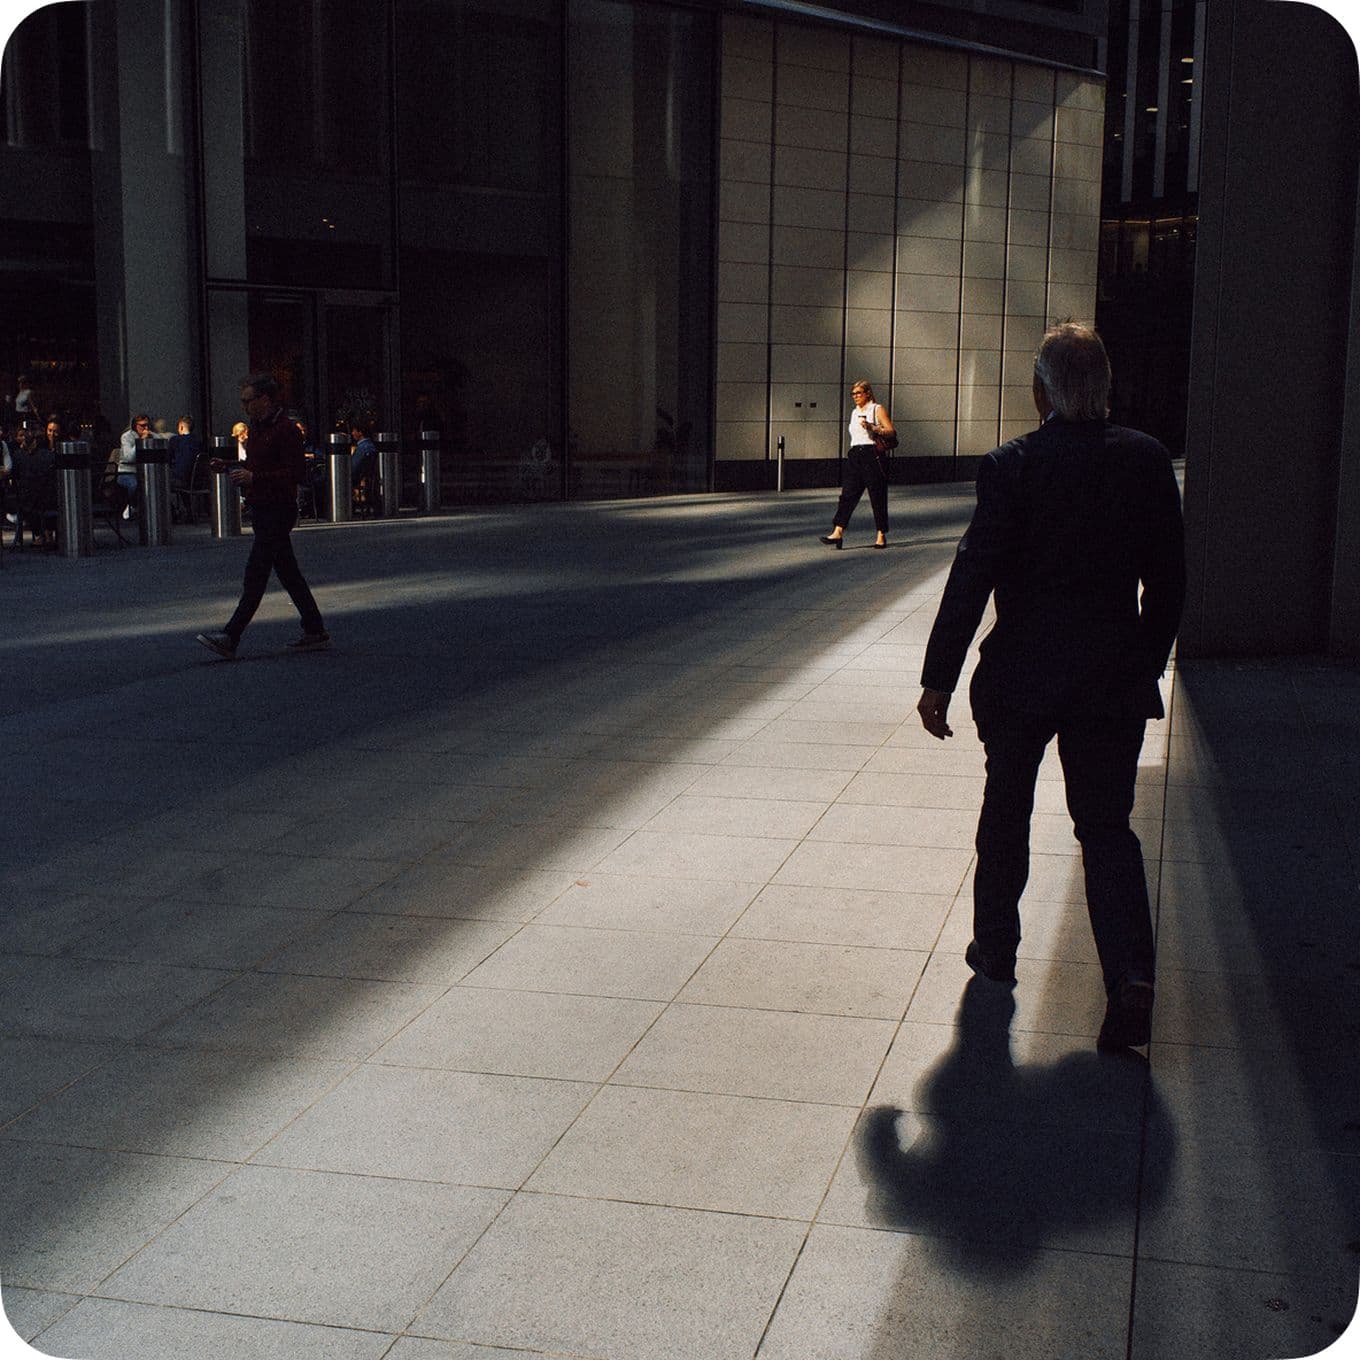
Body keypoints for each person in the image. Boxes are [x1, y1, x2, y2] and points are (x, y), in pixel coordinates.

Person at [916, 322, 1186, 1052]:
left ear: (1040, 389)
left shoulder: (1013, 466)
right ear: (1105, 387)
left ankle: (996, 948)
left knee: (1006, 805)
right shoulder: (1147, 461)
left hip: (1023, 676)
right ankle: (1130, 972)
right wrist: (1142, 662)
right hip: (1108, 681)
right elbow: (1168, 585)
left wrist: (938, 678)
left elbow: (973, 574)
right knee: (1105, 826)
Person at [196, 373, 329, 659]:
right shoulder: (257, 429)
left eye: (248, 401)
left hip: (278, 508)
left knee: (256, 574)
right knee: (288, 573)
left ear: (264, 399)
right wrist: (232, 464)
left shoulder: (286, 430)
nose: (244, 407)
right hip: (264, 507)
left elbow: (296, 473)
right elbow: (255, 463)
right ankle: (314, 628)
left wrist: (255, 477)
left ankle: (231, 635)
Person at [820, 380, 894, 550]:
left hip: (872, 455)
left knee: (877, 495)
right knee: (848, 495)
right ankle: (838, 531)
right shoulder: (854, 412)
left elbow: (891, 431)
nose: (855, 397)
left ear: (868, 393)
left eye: (859, 393)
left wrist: (873, 428)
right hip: (855, 454)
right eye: (853, 394)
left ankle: (881, 534)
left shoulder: (877, 408)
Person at [118, 413, 152, 513]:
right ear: (135, 425)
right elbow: (129, 457)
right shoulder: (126, 437)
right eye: (142, 426)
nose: (145, 428)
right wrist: (140, 441)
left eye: (147, 425)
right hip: (127, 471)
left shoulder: (149, 435)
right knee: (135, 485)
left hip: (144, 471)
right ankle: (132, 506)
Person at [169, 415, 202, 488]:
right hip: (197, 481)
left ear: (181, 427)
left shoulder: (175, 440)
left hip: (180, 480)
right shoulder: (198, 441)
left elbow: (168, 459)